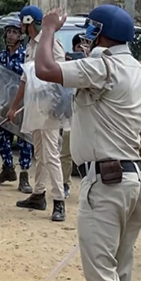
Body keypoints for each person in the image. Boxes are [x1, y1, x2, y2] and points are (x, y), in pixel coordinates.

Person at [35, 6, 141, 281]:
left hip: (106, 182)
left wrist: (49, 28)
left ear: (99, 32)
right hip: (134, 180)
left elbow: (44, 69)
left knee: (101, 276)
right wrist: (134, 162)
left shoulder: (101, 66)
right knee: (121, 269)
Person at [7, 5, 67, 222]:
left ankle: (59, 201)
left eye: (22, 22)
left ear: (29, 21)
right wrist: (14, 106)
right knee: (39, 152)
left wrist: (54, 102)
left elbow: (61, 73)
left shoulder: (50, 42)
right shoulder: (31, 45)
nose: (20, 27)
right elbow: (25, 78)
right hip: (36, 106)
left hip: (50, 107)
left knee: (51, 153)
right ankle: (39, 194)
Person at [0, 19, 34, 194]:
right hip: (6, 101)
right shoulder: (3, 55)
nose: (10, 35)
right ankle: (8, 168)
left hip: (23, 103)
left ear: (20, 36)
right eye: (8, 32)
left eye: (14, 32)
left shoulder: (25, 55)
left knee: (24, 140)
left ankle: (24, 176)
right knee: (0, 134)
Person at [60, 34, 91, 198]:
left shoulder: (95, 66)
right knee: (65, 153)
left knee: (88, 154)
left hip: (88, 118)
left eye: (87, 46)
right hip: (69, 117)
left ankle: (89, 185)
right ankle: (65, 182)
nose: (83, 50)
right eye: (80, 47)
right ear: (74, 49)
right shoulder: (68, 67)